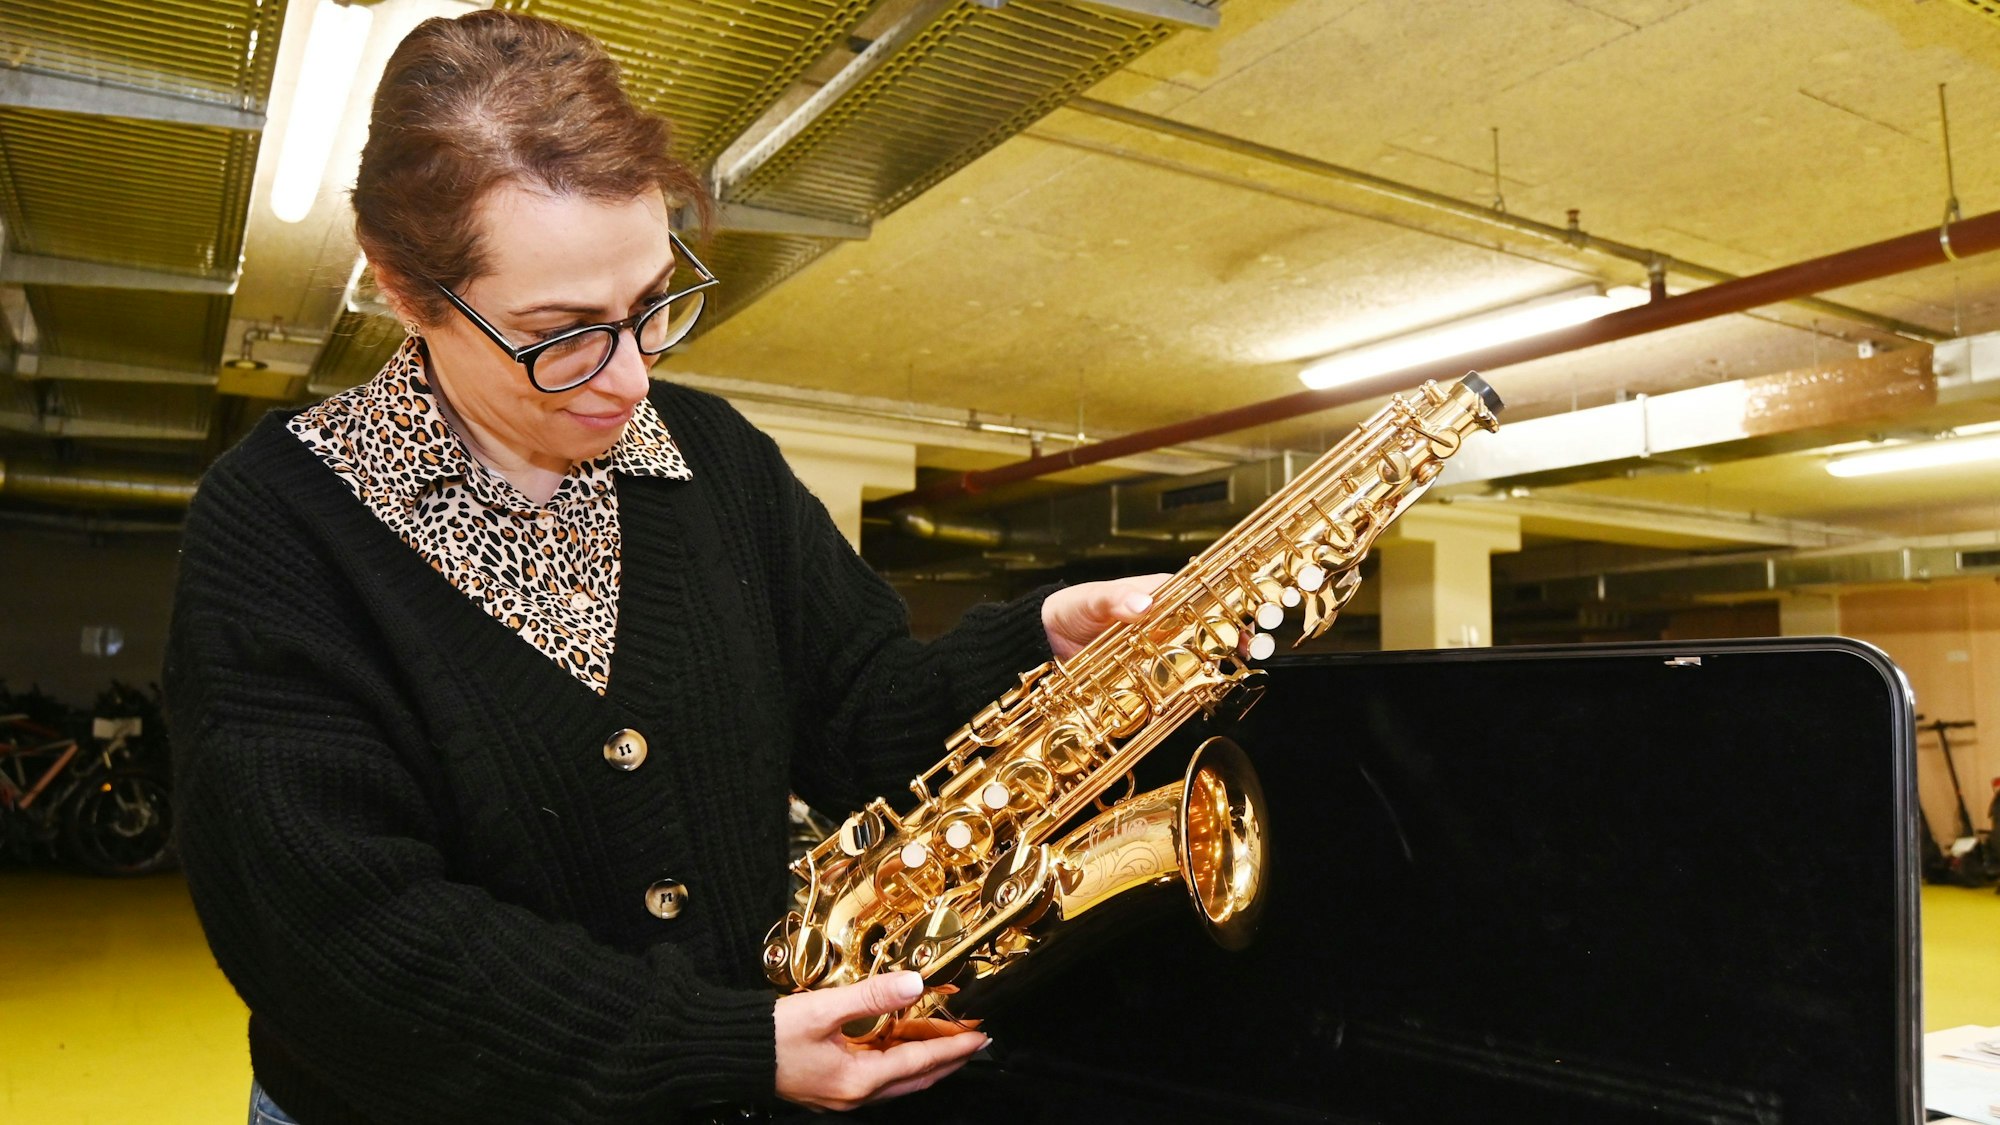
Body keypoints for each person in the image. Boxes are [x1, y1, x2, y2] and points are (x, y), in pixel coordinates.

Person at [164, 11, 1162, 1123]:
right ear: (402, 290)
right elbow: (339, 938)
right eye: (561, 333)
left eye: (650, 305)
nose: (631, 378)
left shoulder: (712, 460)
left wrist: (1039, 643)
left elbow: (864, 717)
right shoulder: (280, 524)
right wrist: (714, 1044)